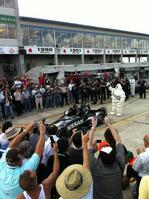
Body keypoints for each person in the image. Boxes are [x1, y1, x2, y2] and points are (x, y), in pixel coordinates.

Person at [0, 122, 46, 199]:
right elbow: (39, 150)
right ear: (19, 162)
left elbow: (12, 145)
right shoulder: (24, 172)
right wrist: (42, 132)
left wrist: (25, 131)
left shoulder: (2, 162)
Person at [89, 116, 125, 199]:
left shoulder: (95, 167)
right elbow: (118, 140)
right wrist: (109, 124)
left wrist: (93, 127)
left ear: (100, 158)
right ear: (115, 156)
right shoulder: (120, 163)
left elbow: (89, 146)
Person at [56, 132, 93, 199]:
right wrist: (84, 142)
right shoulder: (89, 190)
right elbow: (86, 163)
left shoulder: (71, 151)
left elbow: (68, 147)